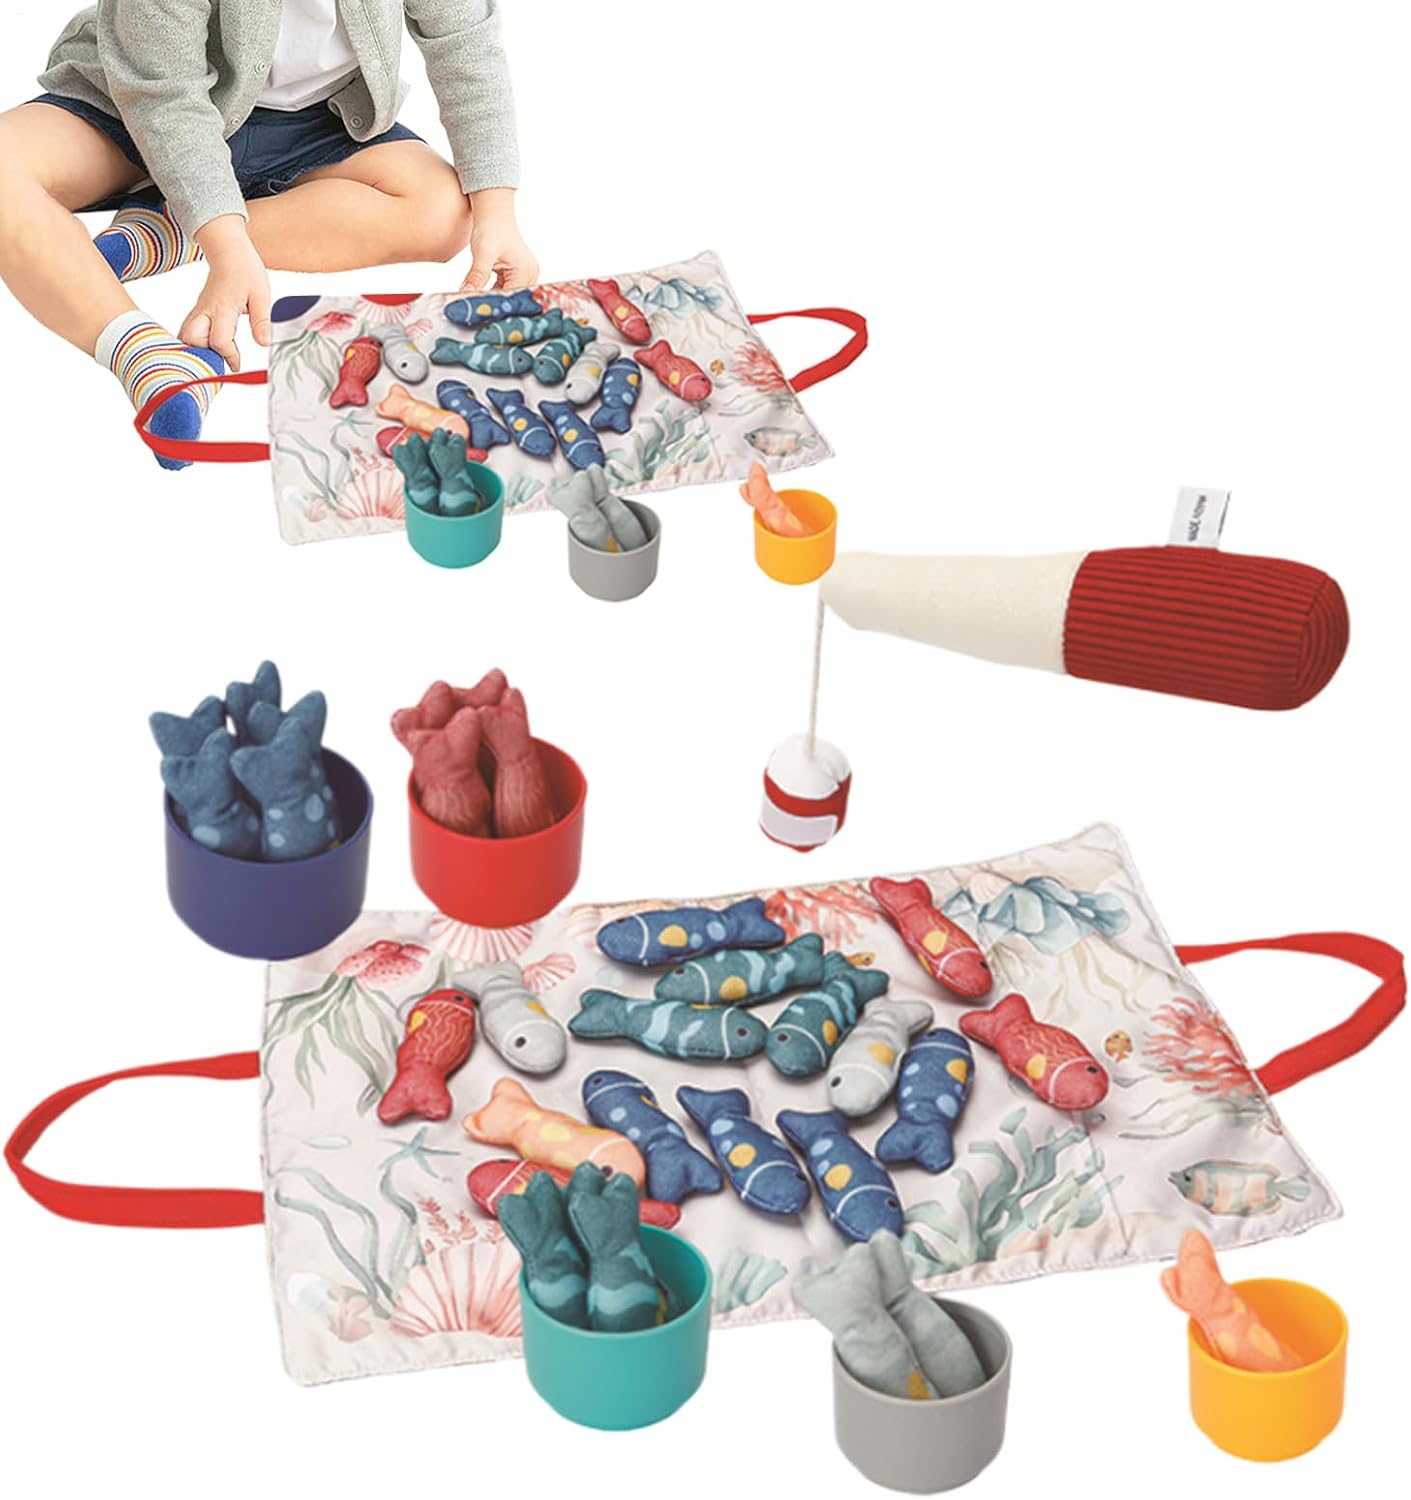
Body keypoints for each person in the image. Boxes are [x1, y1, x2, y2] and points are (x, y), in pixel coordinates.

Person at [0, 2, 538, 468]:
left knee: (444, 213)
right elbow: (163, 94)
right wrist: (226, 243)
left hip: (314, 123)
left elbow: (464, 41)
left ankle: (173, 230)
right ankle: (147, 356)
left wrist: (497, 210)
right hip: (137, 104)